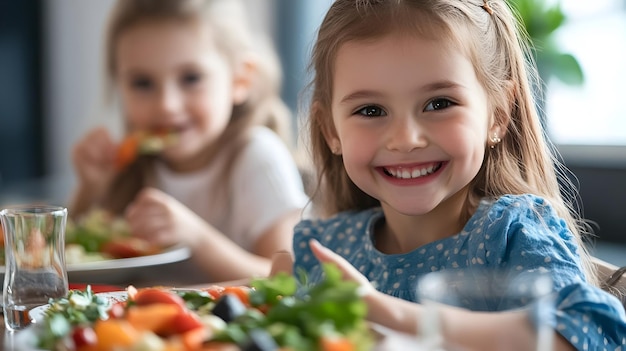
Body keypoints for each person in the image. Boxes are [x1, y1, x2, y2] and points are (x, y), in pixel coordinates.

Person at [291, 0, 626, 350]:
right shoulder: (327, 248)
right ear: (331, 130)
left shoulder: (511, 236)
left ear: (498, 114)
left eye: (439, 103)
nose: (406, 140)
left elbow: (583, 329)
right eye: (370, 110)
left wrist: (390, 314)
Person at [69, 0, 308, 282]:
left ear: (239, 80)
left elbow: (290, 278)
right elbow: (71, 262)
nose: (167, 105)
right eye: (142, 83)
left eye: (191, 78)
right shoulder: (131, 165)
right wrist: (90, 188)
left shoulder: (258, 157)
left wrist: (197, 238)